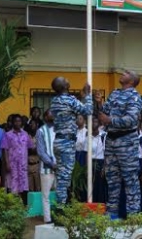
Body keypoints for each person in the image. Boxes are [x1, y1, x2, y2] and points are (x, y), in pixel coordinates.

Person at [97, 70, 142, 219]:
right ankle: (112, 214)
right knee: (112, 179)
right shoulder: (115, 93)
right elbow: (103, 112)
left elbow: (131, 120)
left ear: (132, 80)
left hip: (126, 142)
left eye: (127, 73)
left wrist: (110, 120)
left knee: (130, 180)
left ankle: (133, 217)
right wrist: (98, 103)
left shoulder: (134, 96)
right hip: (111, 142)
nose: (123, 73)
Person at [50, 76, 92, 205]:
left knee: (62, 176)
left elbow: (72, 107)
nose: (68, 80)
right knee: (64, 177)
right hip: (66, 143)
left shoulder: (55, 100)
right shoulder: (69, 100)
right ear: (65, 86)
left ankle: (61, 205)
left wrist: (80, 97)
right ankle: (60, 208)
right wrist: (88, 96)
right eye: (66, 80)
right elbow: (88, 110)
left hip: (59, 141)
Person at [2, 114, 34, 204]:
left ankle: (23, 205)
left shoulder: (25, 134)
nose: (17, 123)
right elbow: (5, 150)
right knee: (13, 184)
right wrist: (7, 163)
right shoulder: (8, 135)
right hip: (13, 165)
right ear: (12, 123)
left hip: (23, 165)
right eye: (15, 121)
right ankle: (12, 205)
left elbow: (31, 146)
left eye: (19, 121)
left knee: (23, 185)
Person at [36, 109, 57, 224]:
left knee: (61, 193)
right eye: (50, 114)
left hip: (60, 168)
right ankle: (47, 219)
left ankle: (60, 216)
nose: (53, 115)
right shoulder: (41, 131)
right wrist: (51, 164)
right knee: (46, 195)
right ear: (45, 117)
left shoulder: (59, 129)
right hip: (47, 168)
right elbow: (41, 151)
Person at [91, 117, 108, 203]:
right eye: (92, 121)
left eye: (96, 121)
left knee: (100, 185)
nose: (94, 123)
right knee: (91, 185)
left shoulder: (103, 135)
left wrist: (104, 168)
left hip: (100, 162)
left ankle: (100, 205)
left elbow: (105, 153)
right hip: (91, 162)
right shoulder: (88, 135)